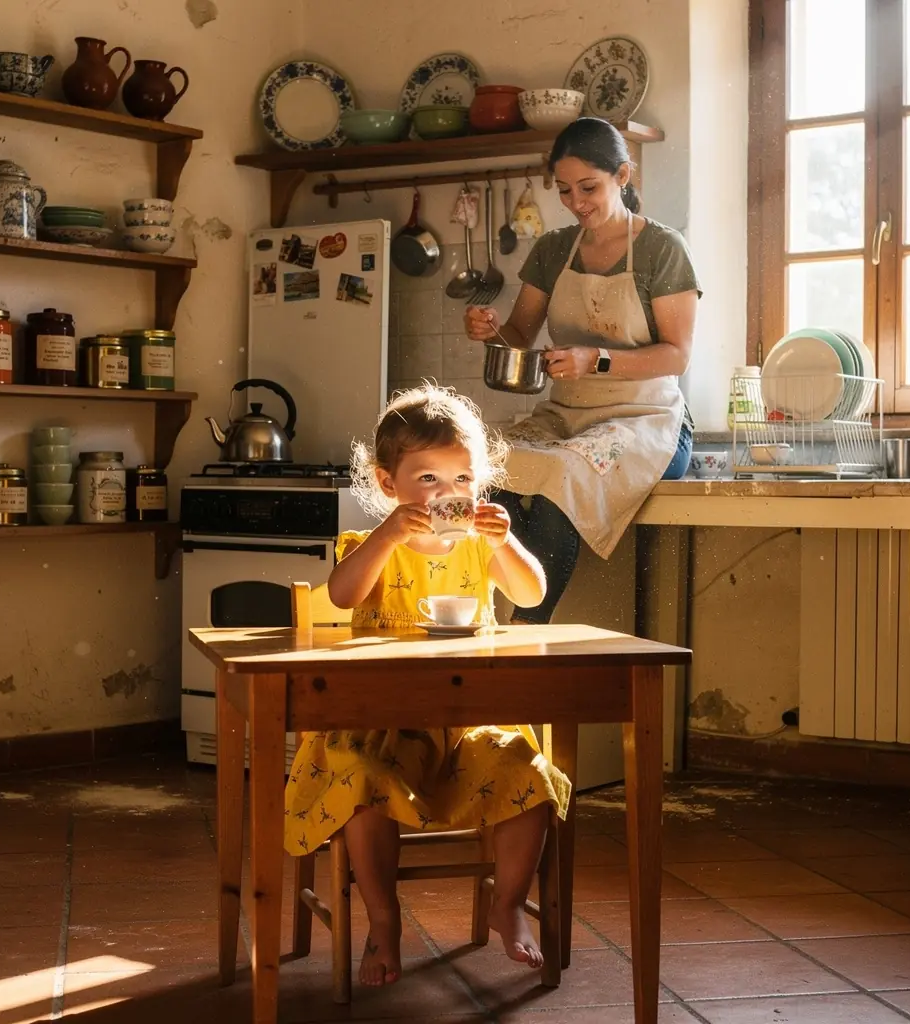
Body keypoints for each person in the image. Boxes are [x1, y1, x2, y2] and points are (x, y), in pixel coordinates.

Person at [283, 383, 571, 988]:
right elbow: (342, 595)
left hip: (469, 722)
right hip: (381, 724)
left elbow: (532, 595)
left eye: (462, 479)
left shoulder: (480, 549)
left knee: (527, 769)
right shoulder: (373, 547)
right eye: (429, 480)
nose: (448, 494)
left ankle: (510, 904)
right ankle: (384, 920)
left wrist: (505, 541)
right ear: (389, 484)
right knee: (362, 781)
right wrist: (387, 536)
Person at [465, 117, 701, 625]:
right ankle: (486, 615)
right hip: (567, 415)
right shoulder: (552, 249)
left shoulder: (663, 249)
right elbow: (519, 336)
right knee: (486, 467)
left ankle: (526, 629)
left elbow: (677, 355)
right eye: (565, 191)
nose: (576, 203)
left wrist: (596, 359)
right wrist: (490, 331)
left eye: (588, 187)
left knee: (562, 477)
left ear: (623, 174)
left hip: (648, 419)